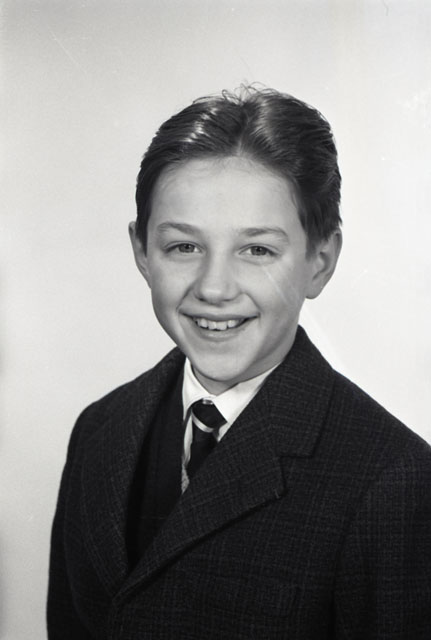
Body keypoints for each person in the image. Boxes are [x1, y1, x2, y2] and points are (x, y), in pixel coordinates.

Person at [47, 87, 431, 639]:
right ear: (142, 253)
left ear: (319, 262)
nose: (214, 288)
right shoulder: (98, 429)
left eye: (257, 250)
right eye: (184, 247)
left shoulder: (393, 480)